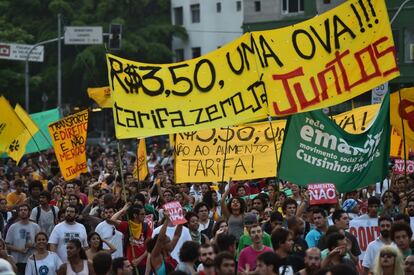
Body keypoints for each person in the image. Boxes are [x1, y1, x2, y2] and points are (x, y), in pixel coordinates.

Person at [5, 203, 40, 274]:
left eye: (25, 210)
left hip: (32, 260)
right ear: (18, 213)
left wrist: (32, 245)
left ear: (29, 212)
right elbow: (7, 245)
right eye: (21, 210)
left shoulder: (35, 226)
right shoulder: (13, 227)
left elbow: (41, 243)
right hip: (17, 261)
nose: (23, 211)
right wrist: (19, 250)